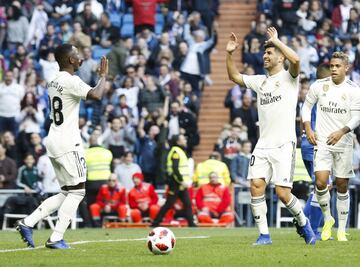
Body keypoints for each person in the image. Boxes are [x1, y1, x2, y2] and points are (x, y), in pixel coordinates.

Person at [226, 27, 316, 245]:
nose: (265, 56)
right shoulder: (260, 82)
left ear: (280, 56)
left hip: (284, 144)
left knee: (283, 194)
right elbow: (234, 76)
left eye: (269, 53)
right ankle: (264, 235)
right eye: (265, 53)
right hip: (263, 144)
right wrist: (229, 54)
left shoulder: (289, 78)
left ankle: (304, 223)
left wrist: (277, 40)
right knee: (256, 185)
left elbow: (296, 60)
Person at [15, 43, 109, 249]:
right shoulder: (70, 80)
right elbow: (97, 95)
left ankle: (27, 222)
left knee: (68, 192)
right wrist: (103, 76)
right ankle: (56, 238)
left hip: (53, 140)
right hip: (68, 142)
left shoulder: (53, 81)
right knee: (78, 192)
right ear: (70, 60)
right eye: (76, 54)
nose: (80, 57)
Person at [302, 52, 360, 242]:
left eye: (337, 66)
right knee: (320, 183)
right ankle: (328, 219)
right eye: (332, 65)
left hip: (343, 143)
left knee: (342, 185)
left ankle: (341, 229)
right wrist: (308, 128)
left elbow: (357, 117)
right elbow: (306, 107)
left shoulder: (354, 90)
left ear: (346, 68)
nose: (334, 69)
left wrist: (342, 131)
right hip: (323, 142)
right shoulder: (319, 85)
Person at [299, 63, 331, 240]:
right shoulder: (321, 92)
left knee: (323, 186)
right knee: (323, 186)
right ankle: (306, 224)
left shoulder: (315, 92)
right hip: (315, 145)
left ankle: (306, 224)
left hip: (308, 144)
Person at [151, 134, 196, 227]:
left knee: (187, 203)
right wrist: (181, 181)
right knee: (169, 204)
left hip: (180, 183)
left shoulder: (180, 151)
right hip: (176, 183)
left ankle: (192, 224)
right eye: (183, 139)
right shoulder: (176, 152)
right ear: (178, 142)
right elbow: (175, 169)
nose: (185, 141)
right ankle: (155, 223)